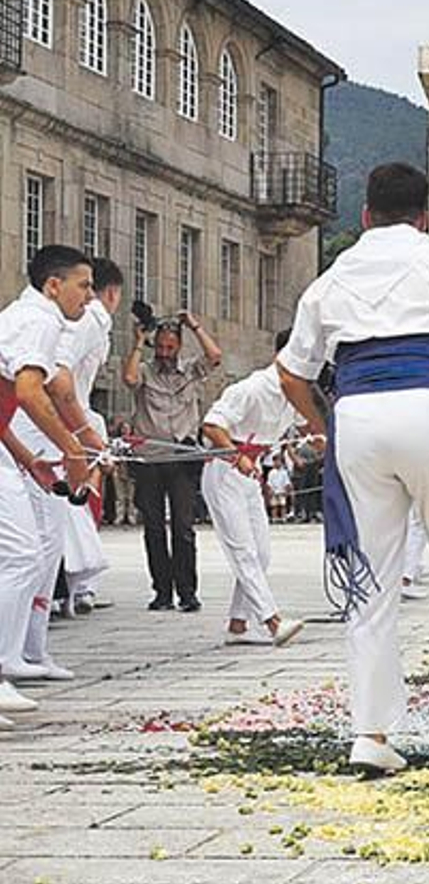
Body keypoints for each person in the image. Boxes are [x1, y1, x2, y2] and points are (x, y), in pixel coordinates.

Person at [276, 162, 429, 774]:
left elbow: (291, 371)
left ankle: (370, 733)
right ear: (424, 214)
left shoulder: (331, 278)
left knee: (372, 580)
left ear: (365, 214)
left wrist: (322, 426)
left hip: (356, 415)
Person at [0, 245, 97, 722]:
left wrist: (30, 459)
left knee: (22, 554)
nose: (90, 296)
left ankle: (12, 658)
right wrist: (73, 448)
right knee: (20, 554)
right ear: (53, 286)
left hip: (5, 448)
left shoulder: (28, 317)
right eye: (84, 285)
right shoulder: (38, 319)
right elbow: (30, 392)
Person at [24, 257, 121, 619]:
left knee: (47, 533)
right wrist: (81, 440)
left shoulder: (48, 318)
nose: (89, 298)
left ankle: (32, 638)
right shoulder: (89, 317)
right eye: (84, 288)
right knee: (37, 539)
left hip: (47, 431)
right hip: (46, 429)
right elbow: (56, 380)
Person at [199, 331, 309, 648]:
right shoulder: (250, 388)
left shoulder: (292, 392)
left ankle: (238, 623)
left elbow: (303, 423)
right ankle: (272, 622)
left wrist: (317, 436)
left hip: (251, 473)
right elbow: (212, 425)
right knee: (243, 550)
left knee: (261, 552)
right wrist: (236, 456)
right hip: (225, 471)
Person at [121, 309, 222, 612]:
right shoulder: (147, 371)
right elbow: (128, 378)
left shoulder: (191, 370)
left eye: (171, 347)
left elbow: (215, 356)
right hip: (150, 459)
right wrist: (139, 342)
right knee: (153, 527)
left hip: (182, 458)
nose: (165, 353)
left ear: (179, 346)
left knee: (183, 527)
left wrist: (194, 324)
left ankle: (187, 592)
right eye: (161, 347)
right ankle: (162, 591)